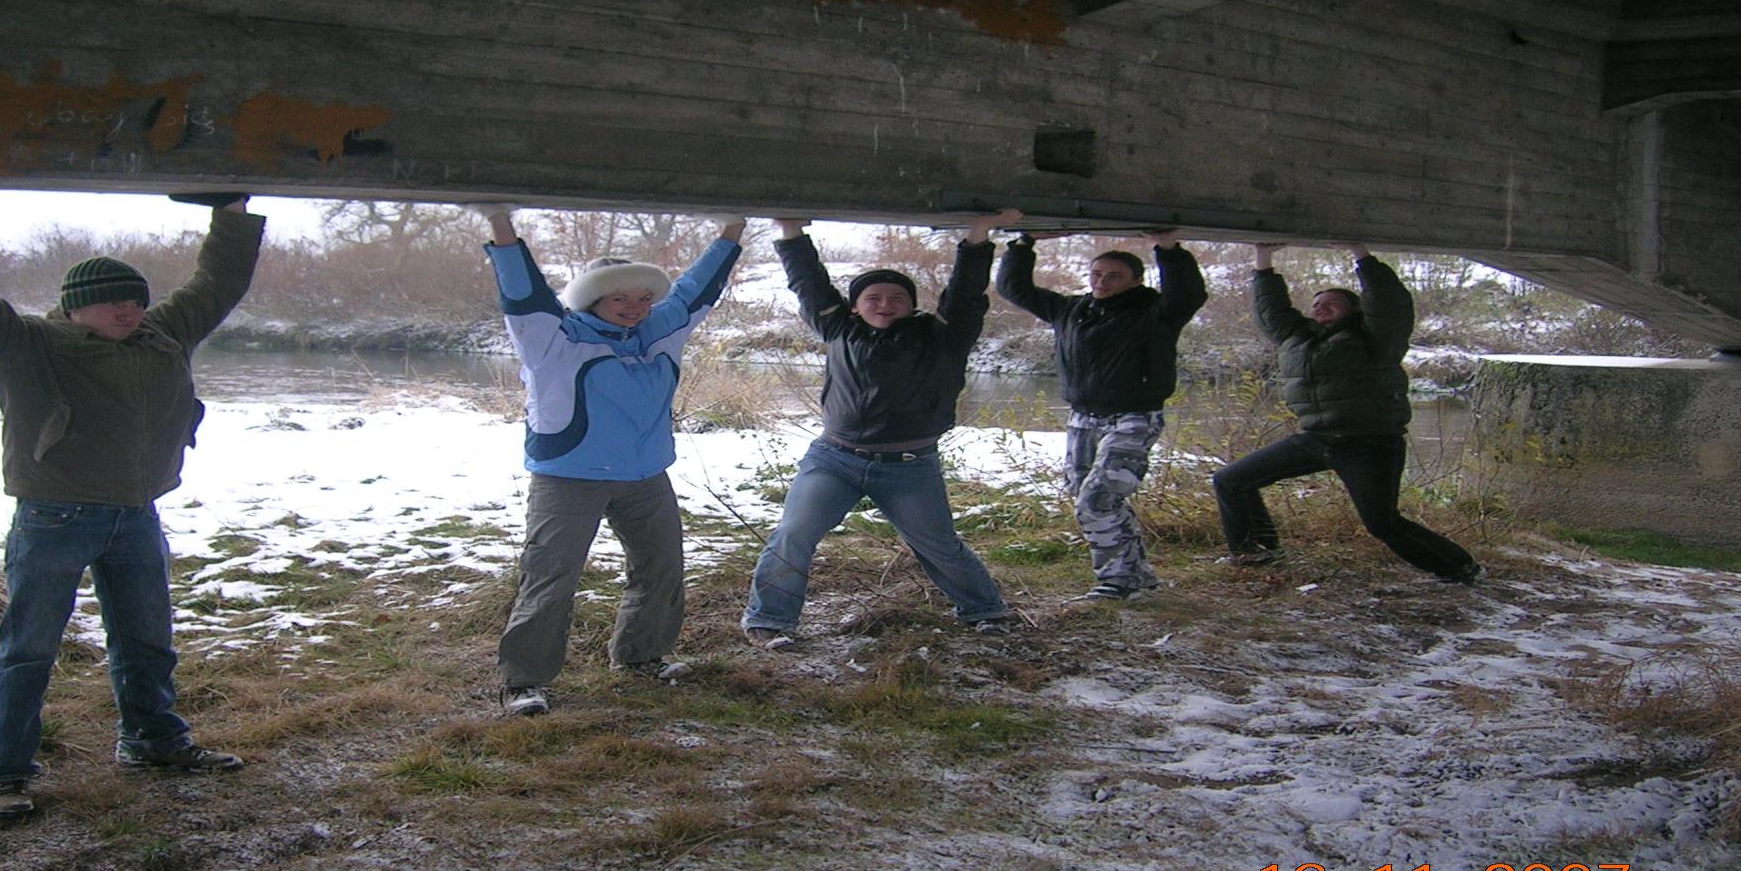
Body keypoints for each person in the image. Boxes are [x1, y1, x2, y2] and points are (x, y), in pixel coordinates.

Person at [0, 184, 264, 819]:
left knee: (148, 641)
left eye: (133, 299)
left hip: (136, 515)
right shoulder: (24, 343)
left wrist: (231, 215)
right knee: (28, 649)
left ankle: (153, 741)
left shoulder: (163, 335)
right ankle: (4, 772)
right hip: (54, 518)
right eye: (107, 302)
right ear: (74, 308)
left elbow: (218, 285)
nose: (125, 310)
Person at [472, 204, 745, 717]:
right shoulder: (552, 338)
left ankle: (641, 657)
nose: (635, 307)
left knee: (661, 567)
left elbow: (698, 288)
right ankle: (524, 681)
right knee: (551, 576)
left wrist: (733, 228)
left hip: (646, 476)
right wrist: (500, 225)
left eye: (643, 297)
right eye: (621, 298)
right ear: (594, 299)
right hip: (569, 477)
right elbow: (522, 289)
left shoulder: (659, 330)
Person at [740, 211, 1021, 645]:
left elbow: (966, 293)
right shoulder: (837, 329)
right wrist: (791, 232)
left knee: (939, 545)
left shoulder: (943, 336)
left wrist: (978, 236)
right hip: (834, 459)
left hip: (910, 466)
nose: (885, 304)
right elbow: (808, 284)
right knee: (792, 533)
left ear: (912, 305)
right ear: (856, 305)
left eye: (896, 297)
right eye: (873, 297)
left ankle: (985, 610)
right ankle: (771, 621)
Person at [1211, 242, 1480, 583]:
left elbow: (1389, 303)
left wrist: (1360, 253)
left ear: (1353, 310)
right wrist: (1263, 260)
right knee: (1231, 480)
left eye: (1331, 302)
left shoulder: (1376, 338)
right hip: (1316, 438)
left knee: (1382, 522)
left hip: (1370, 441)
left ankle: (1459, 566)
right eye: (1316, 304)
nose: (1321, 307)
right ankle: (1257, 554)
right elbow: (1270, 311)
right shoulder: (1298, 337)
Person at [994, 227, 1208, 600]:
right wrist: (1024, 244)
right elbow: (1014, 288)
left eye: (1113, 276)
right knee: (1084, 493)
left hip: (1134, 416)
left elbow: (1189, 292)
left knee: (1098, 498)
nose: (1102, 281)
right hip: (1083, 417)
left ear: (1136, 281)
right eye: (1096, 274)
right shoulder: (1071, 310)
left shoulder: (1156, 312)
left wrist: (1168, 247)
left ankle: (1117, 581)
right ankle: (1137, 575)